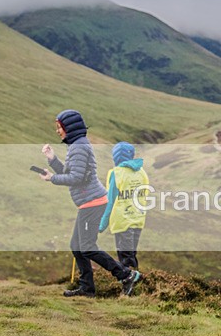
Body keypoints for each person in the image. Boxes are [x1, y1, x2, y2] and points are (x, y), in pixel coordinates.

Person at [39, 110, 144, 297]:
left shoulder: (79, 147)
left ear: (69, 127)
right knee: (77, 246)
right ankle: (87, 288)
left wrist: (52, 178)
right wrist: (53, 160)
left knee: (86, 246)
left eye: (59, 127)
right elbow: (70, 171)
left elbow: (76, 177)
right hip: (88, 204)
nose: (57, 131)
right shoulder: (76, 145)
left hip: (93, 203)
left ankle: (126, 274)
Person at [99, 142, 149, 270]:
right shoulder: (141, 172)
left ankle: (131, 284)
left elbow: (110, 201)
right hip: (138, 219)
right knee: (131, 254)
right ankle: (137, 285)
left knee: (126, 258)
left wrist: (102, 225)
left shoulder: (116, 174)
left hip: (122, 221)